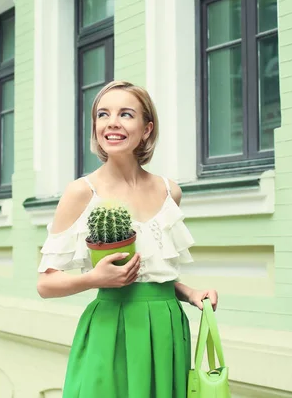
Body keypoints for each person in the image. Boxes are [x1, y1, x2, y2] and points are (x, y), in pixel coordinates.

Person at [36, 80, 218, 398]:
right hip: (112, 329)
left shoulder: (169, 190)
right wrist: (95, 278)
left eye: (126, 114)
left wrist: (189, 292)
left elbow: (151, 271)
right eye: (103, 114)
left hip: (166, 330)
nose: (112, 123)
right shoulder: (80, 192)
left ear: (147, 129)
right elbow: (45, 284)